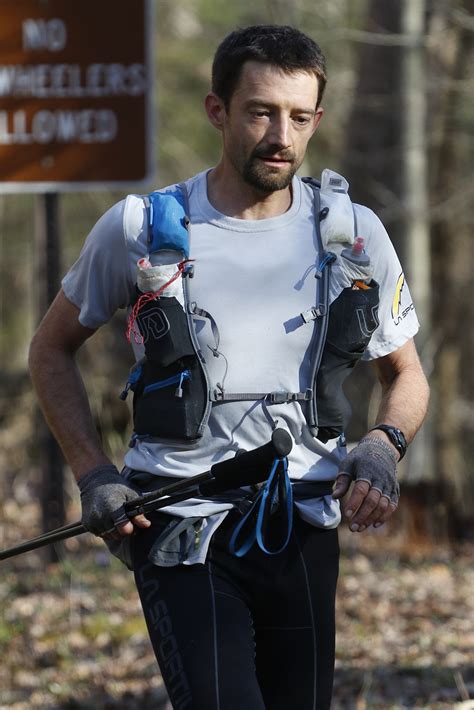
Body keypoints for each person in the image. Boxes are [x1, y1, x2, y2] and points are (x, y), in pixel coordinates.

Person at [29, 24, 429, 710]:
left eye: (299, 117)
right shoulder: (141, 229)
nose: (281, 135)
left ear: (317, 121)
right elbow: (50, 349)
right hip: (178, 523)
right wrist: (94, 474)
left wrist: (382, 446)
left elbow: (408, 375)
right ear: (218, 111)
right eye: (261, 112)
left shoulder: (354, 235)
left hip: (302, 525)